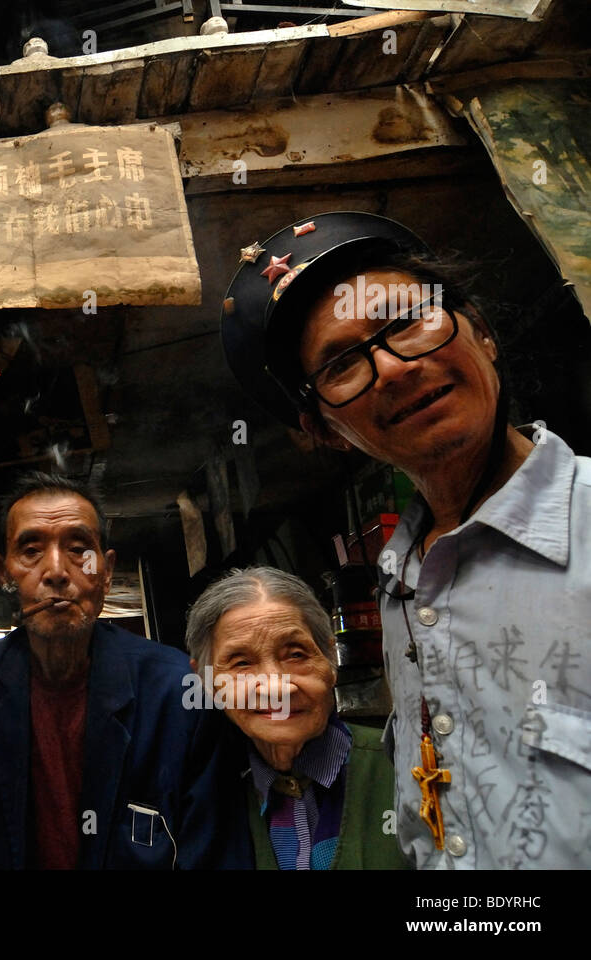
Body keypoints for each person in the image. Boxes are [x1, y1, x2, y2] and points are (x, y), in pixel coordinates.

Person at [220, 211, 591, 868]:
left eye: (404, 322)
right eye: (342, 363)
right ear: (330, 431)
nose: (391, 368)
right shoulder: (404, 589)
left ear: (480, 330)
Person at [0, 471, 251, 869]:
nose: (57, 571)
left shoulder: (178, 691)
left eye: (79, 549)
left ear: (107, 572)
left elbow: (215, 853)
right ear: (5, 574)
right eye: (30, 551)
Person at [186, 567, 409, 870]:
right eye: (242, 663)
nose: (276, 686)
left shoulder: (405, 766)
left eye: (296, 655)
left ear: (330, 661)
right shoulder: (205, 796)